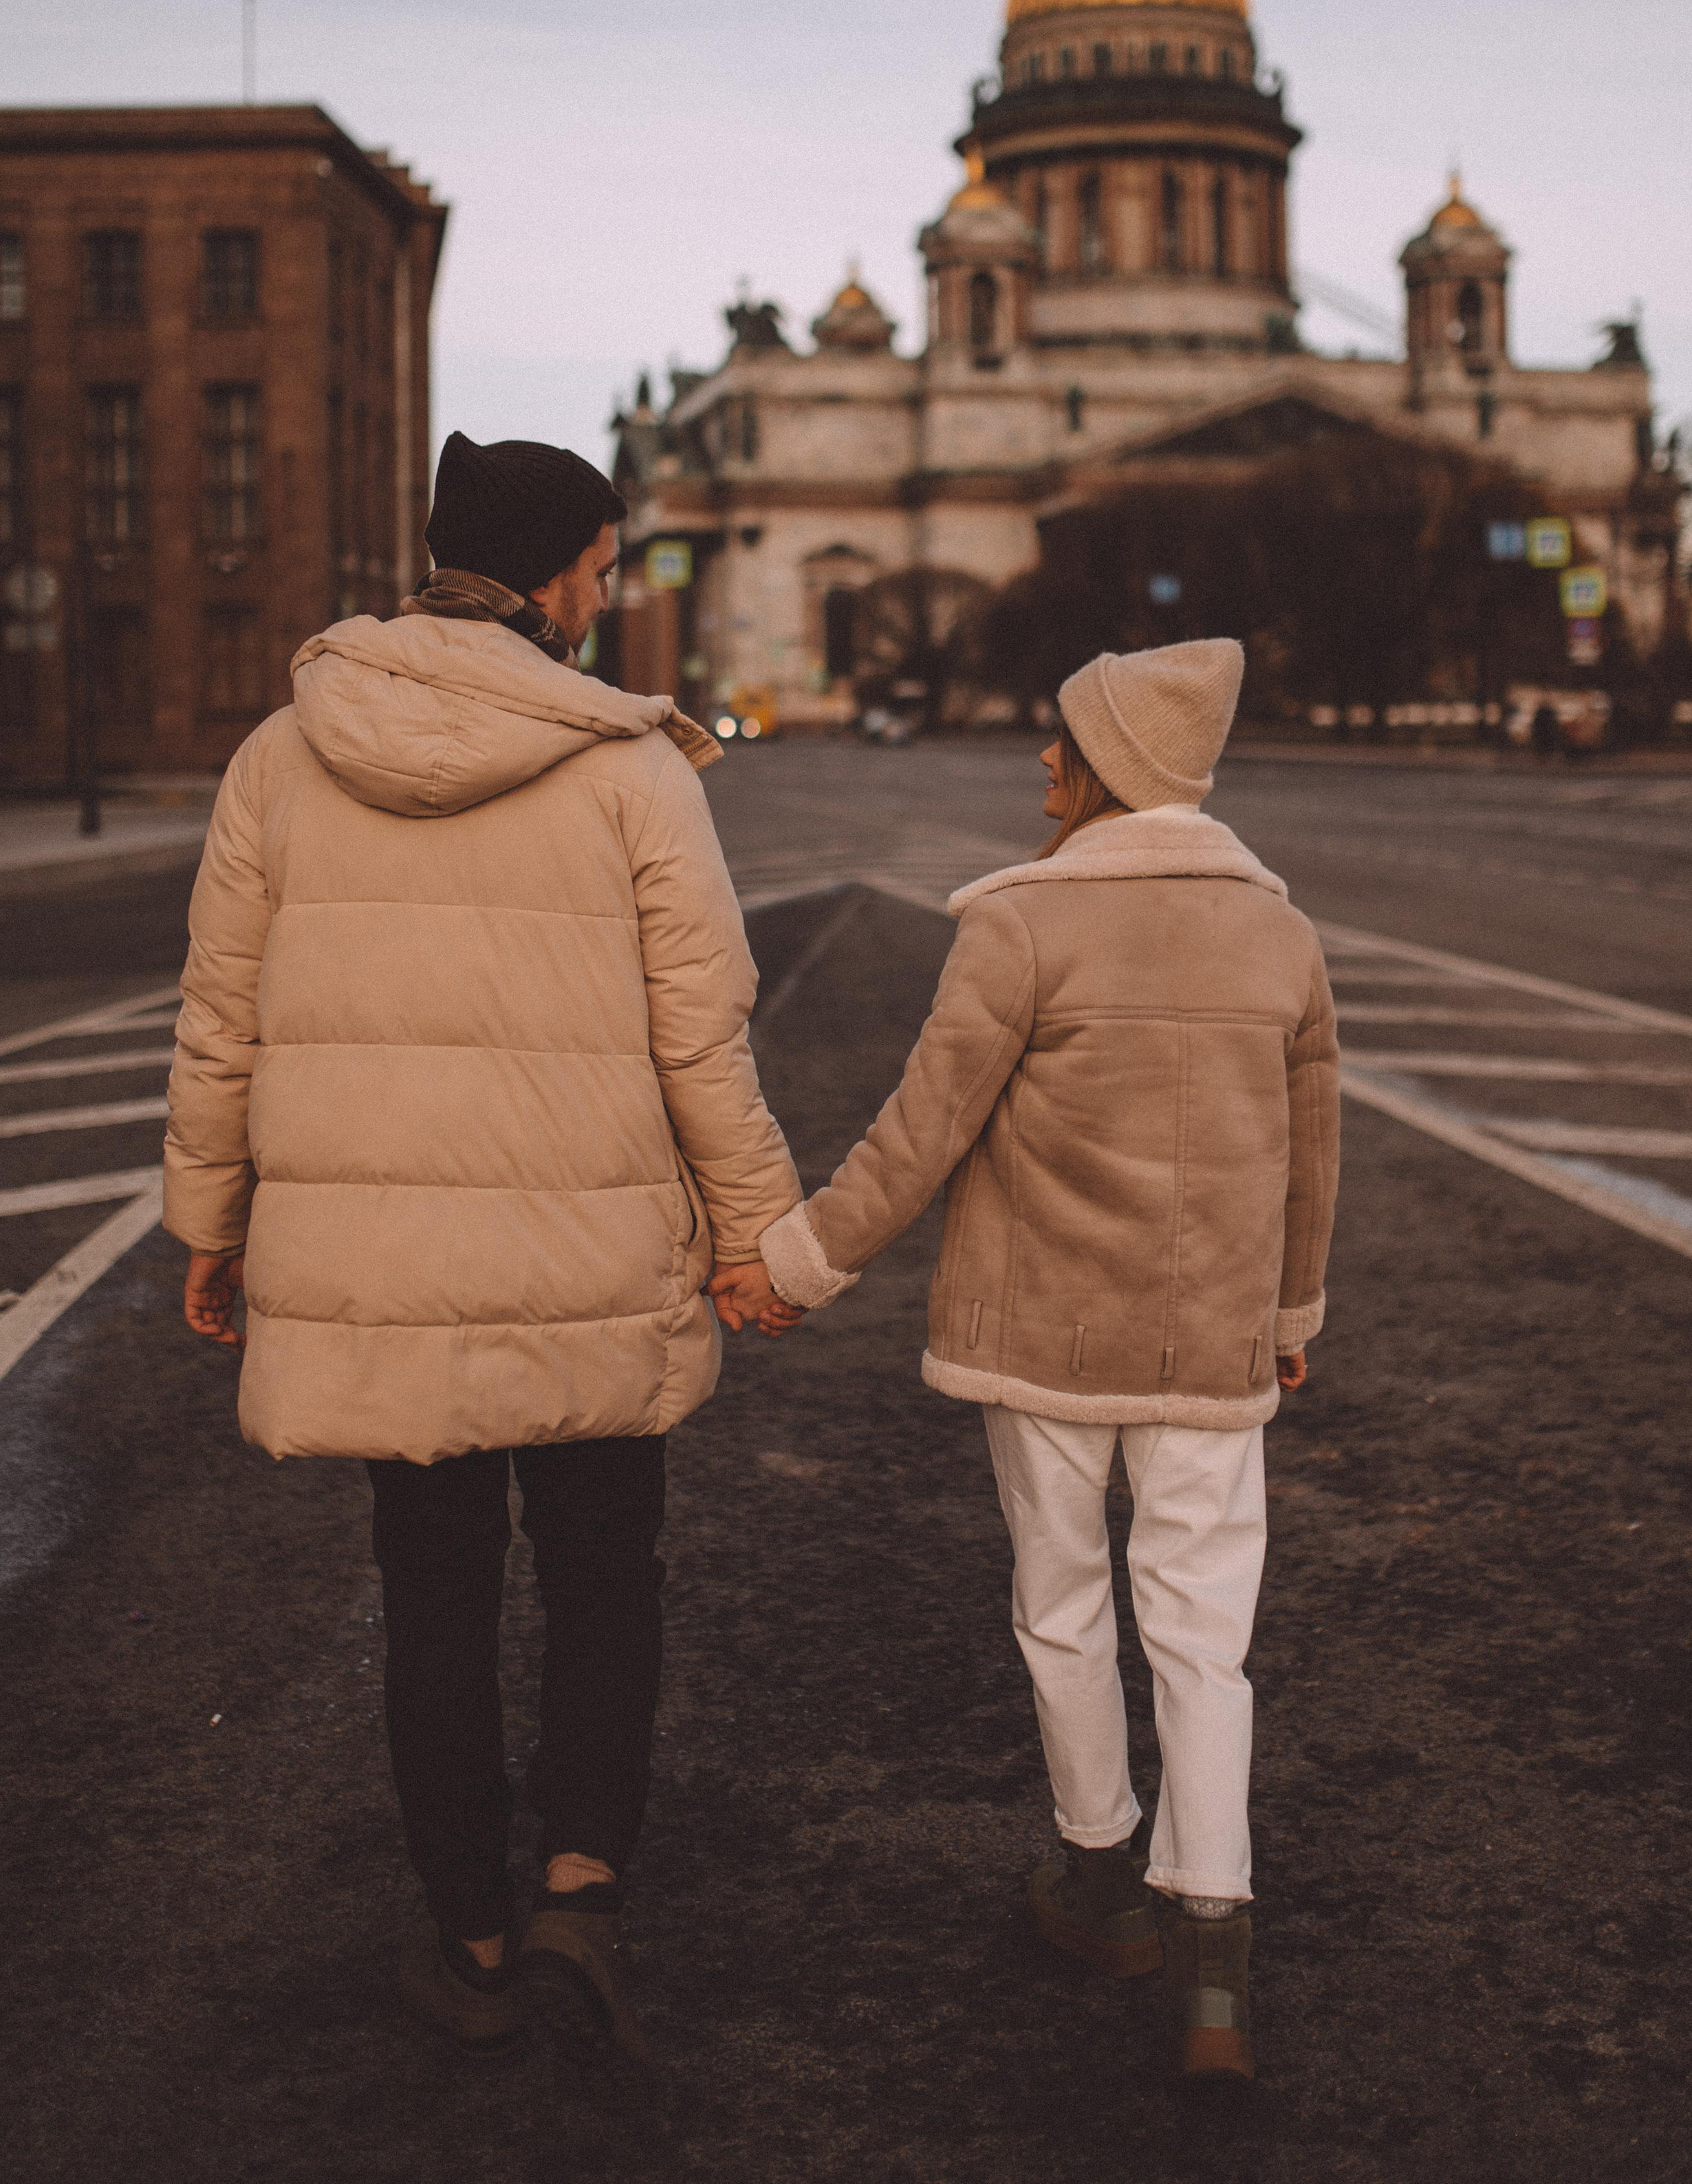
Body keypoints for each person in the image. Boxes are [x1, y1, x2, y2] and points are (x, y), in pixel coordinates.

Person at [164, 432, 799, 2053]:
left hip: (383, 1270)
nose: (606, 594)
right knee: (602, 1579)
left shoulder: (279, 757)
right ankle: (582, 1889)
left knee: (433, 1593)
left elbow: (221, 1020)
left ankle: (469, 1934)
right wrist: (751, 1233)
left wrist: (210, 1219)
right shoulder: (632, 765)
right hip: (594, 1256)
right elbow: (702, 1036)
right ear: (554, 577)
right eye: (601, 566)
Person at [724, 638, 1339, 2083]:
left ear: (1114, 765)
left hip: (1040, 1332)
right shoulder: (1282, 938)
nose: (1042, 760)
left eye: (1064, 741)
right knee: (1205, 1638)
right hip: (1209, 1342)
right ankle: (1214, 1958)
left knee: (1062, 1605)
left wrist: (797, 1265)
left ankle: (1099, 1878)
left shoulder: (1020, 927)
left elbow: (920, 1132)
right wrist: (1291, 1314)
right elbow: (1311, 1155)